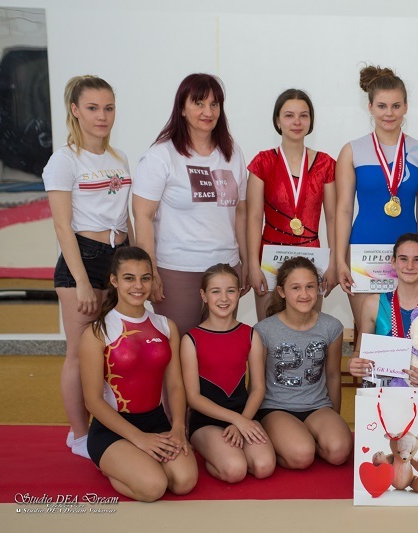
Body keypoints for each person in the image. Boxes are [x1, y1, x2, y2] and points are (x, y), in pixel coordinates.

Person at [43, 75, 131, 458]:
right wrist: (81, 280)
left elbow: (125, 215)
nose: (102, 116)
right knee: (79, 354)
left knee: (111, 349)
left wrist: (133, 264)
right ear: (75, 110)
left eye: (108, 108)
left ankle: (106, 425)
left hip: (118, 257)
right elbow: (63, 226)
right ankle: (79, 435)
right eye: (93, 108)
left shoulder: (119, 157)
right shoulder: (64, 160)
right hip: (82, 258)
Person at [133, 73, 249, 338]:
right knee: (178, 347)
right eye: (198, 103)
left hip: (225, 269)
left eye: (214, 104)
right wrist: (150, 270)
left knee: (219, 348)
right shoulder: (161, 155)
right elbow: (142, 215)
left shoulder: (232, 153)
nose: (208, 112)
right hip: (177, 271)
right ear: (182, 109)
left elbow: (240, 212)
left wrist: (245, 263)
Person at [79, 246, 197, 502]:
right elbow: (92, 401)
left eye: (145, 278)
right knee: (154, 486)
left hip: (156, 422)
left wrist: (178, 427)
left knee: (184, 481)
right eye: (129, 278)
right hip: (112, 429)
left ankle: (135, 462)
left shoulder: (166, 327)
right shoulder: (97, 332)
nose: (138, 286)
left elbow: (175, 385)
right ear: (114, 280)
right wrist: (139, 439)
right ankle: (107, 463)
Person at [335, 65, 418, 333]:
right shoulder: (352, 150)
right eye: (381, 106)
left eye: (395, 106)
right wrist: (340, 260)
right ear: (370, 107)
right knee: (367, 336)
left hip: (408, 258)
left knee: (408, 334)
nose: (389, 113)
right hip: (363, 254)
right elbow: (343, 210)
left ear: (406, 107)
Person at [347, 233, 418, 437]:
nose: (410, 266)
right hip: (380, 394)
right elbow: (358, 353)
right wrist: (354, 364)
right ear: (393, 262)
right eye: (403, 259)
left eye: (417, 259)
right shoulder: (373, 304)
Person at [254, 257, 352, 469]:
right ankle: (284, 441)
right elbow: (256, 383)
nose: (304, 294)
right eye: (296, 288)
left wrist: (334, 417)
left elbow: (333, 375)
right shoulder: (264, 330)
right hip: (276, 408)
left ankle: (305, 437)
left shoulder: (331, 327)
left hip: (317, 406)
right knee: (302, 455)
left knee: (339, 451)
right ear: (282, 291)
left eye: (310, 286)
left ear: (318, 288)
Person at [246, 89, 336, 320]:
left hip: (311, 259)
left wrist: (334, 262)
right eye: (289, 115)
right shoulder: (262, 162)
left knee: (309, 330)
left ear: (311, 121)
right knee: (268, 330)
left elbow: (333, 218)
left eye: (303, 115)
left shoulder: (326, 164)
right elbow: (254, 217)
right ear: (277, 120)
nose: (297, 122)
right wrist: (254, 266)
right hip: (269, 260)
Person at [181, 264, 276, 483]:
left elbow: (258, 388)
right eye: (215, 291)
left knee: (264, 466)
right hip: (206, 420)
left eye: (230, 291)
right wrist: (237, 421)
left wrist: (243, 420)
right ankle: (212, 453)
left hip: (245, 414)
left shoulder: (250, 334)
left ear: (239, 293)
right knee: (235, 470)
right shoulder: (191, 339)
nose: (224, 298)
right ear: (204, 295)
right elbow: (193, 398)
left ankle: (228, 452)